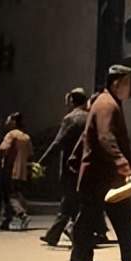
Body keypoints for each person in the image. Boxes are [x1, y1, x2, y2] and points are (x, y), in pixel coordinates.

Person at [68, 64, 131, 261]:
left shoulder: (107, 102)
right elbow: (105, 137)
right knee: (89, 216)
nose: (130, 89)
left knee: (122, 215)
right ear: (116, 84)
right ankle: (80, 259)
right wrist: (121, 162)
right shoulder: (107, 105)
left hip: (107, 176)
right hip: (99, 175)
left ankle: (129, 254)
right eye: (127, 84)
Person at [38, 88, 93, 246]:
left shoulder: (70, 118)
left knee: (69, 200)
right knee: (73, 201)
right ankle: (54, 234)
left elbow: (58, 142)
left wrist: (42, 162)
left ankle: (70, 230)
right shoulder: (90, 117)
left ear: (71, 101)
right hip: (86, 165)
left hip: (71, 166)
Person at [0, 112, 34, 231]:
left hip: (10, 170)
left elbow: (3, 149)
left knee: (9, 195)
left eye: (8, 120)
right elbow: (30, 154)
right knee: (15, 193)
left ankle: (22, 215)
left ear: (13, 122)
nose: (6, 122)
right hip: (21, 172)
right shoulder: (26, 137)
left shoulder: (11, 135)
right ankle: (6, 221)